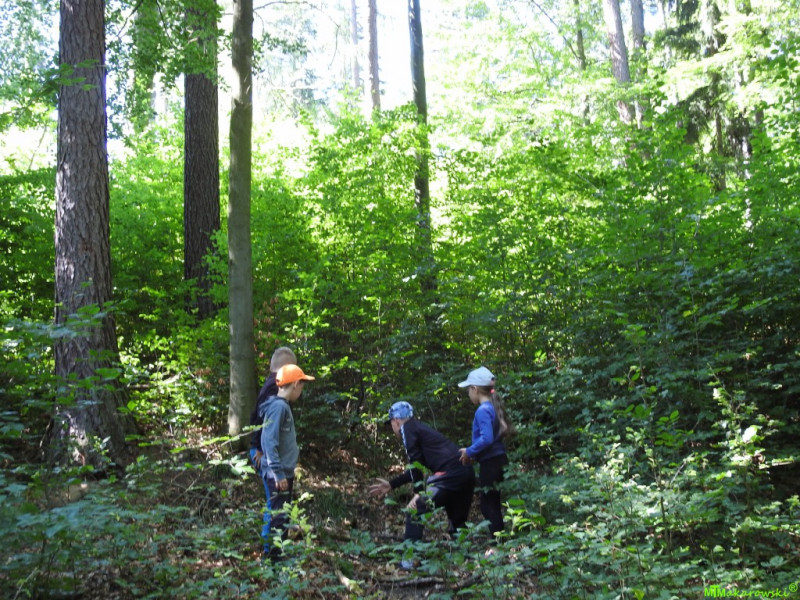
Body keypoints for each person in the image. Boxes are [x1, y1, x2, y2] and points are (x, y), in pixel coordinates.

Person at [368, 401, 475, 567]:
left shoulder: (407, 429)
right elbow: (417, 467)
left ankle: (409, 561)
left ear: (396, 421)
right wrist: (392, 484)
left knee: (416, 509)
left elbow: (414, 462)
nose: (392, 428)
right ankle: (463, 560)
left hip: (449, 475)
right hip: (465, 473)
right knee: (458, 520)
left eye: (391, 424)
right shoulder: (419, 429)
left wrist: (418, 493)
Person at [258, 363, 315, 561]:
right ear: (296, 384)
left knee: (283, 515)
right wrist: (278, 472)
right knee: (279, 516)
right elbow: (269, 441)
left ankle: (277, 556)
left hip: (283, 472)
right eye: (302, 386)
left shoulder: (281, 406)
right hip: (278, 474)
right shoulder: (278, 407)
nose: (301, 391)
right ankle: (273, 559)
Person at [457, 366, 513, 539]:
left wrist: (469, 451)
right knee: (492, 502)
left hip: (491, 463)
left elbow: (487, 439)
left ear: (475, 389)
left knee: (488, 505)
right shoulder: (492, 407)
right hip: (497, 460)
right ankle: (500, 540)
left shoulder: (482, 410)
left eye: (469, 389)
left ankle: (499, 543)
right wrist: (474, 455)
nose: (468, 394)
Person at [249, 347, 297, 470]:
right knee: (275, 481)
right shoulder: (275, 388)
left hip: (265, 450)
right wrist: (260, 449)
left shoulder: (273, 384)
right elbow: (263, 418)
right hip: (263, 452)